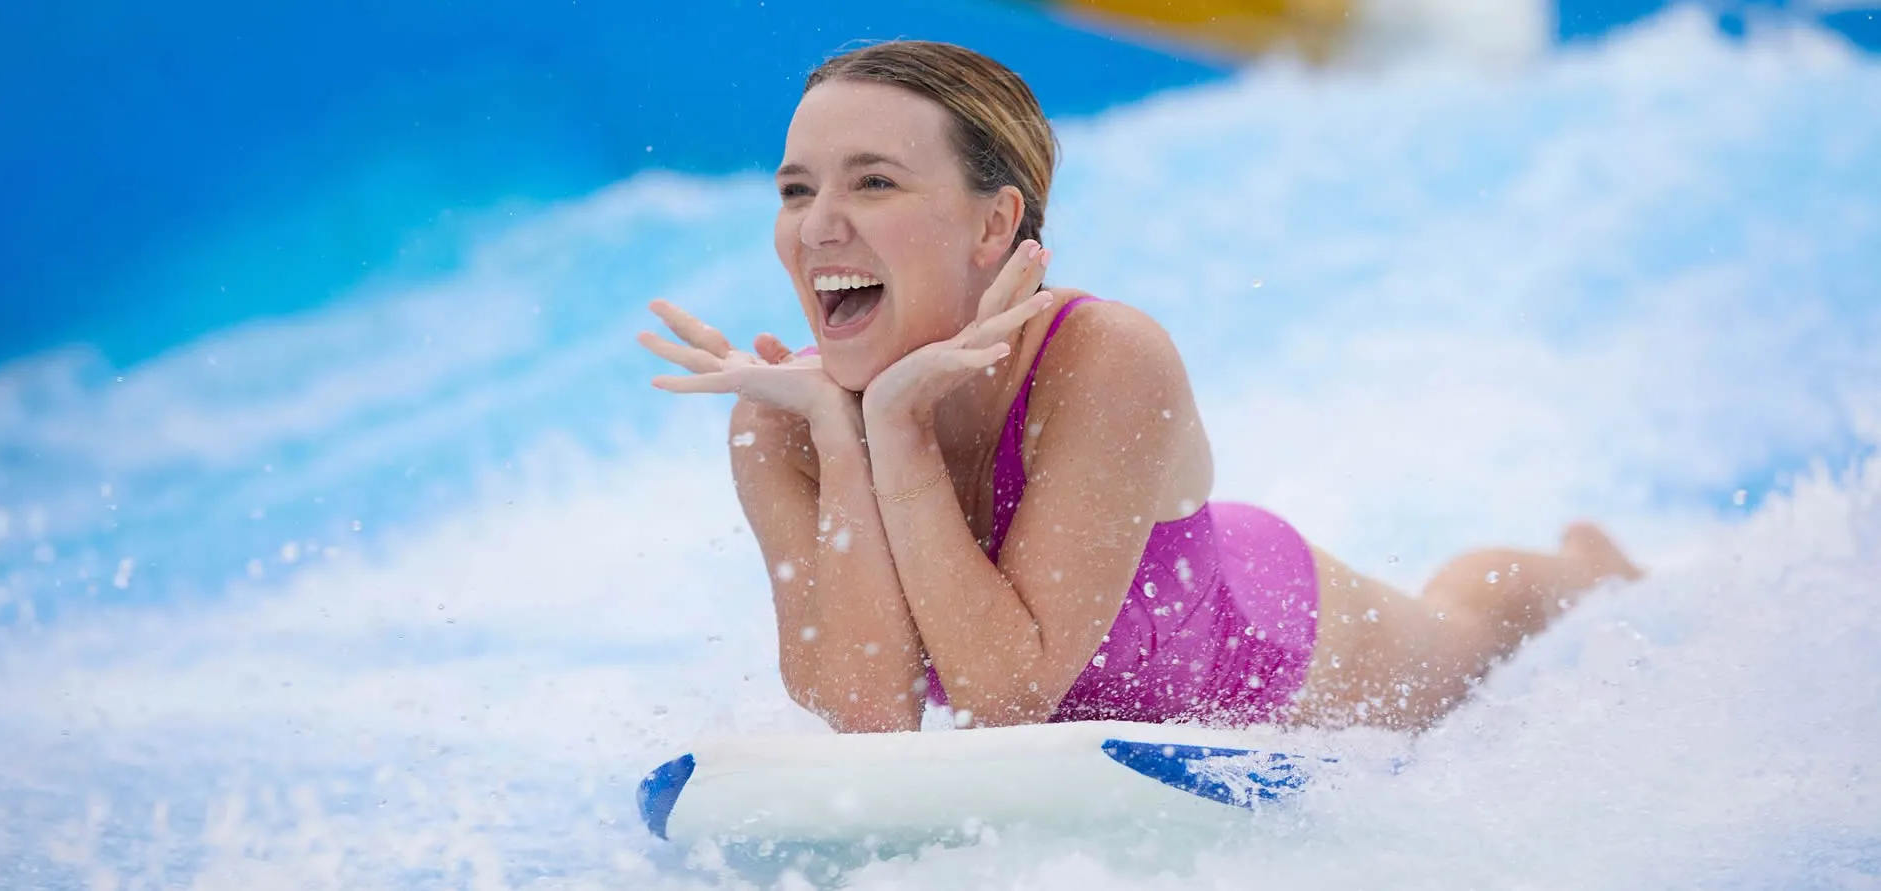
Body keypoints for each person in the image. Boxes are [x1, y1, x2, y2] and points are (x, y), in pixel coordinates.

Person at [638, 40, 1641, 734]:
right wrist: (853, 441)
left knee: (1467, 646)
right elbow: (864, 715)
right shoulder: (788, 425)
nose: (817, 226)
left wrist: (897, 436)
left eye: (873, 182)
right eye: (795, 188)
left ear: (994, 227)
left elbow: (1004, 698)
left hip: (1271, 634)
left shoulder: (1102, 355)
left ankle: (1584, 573)